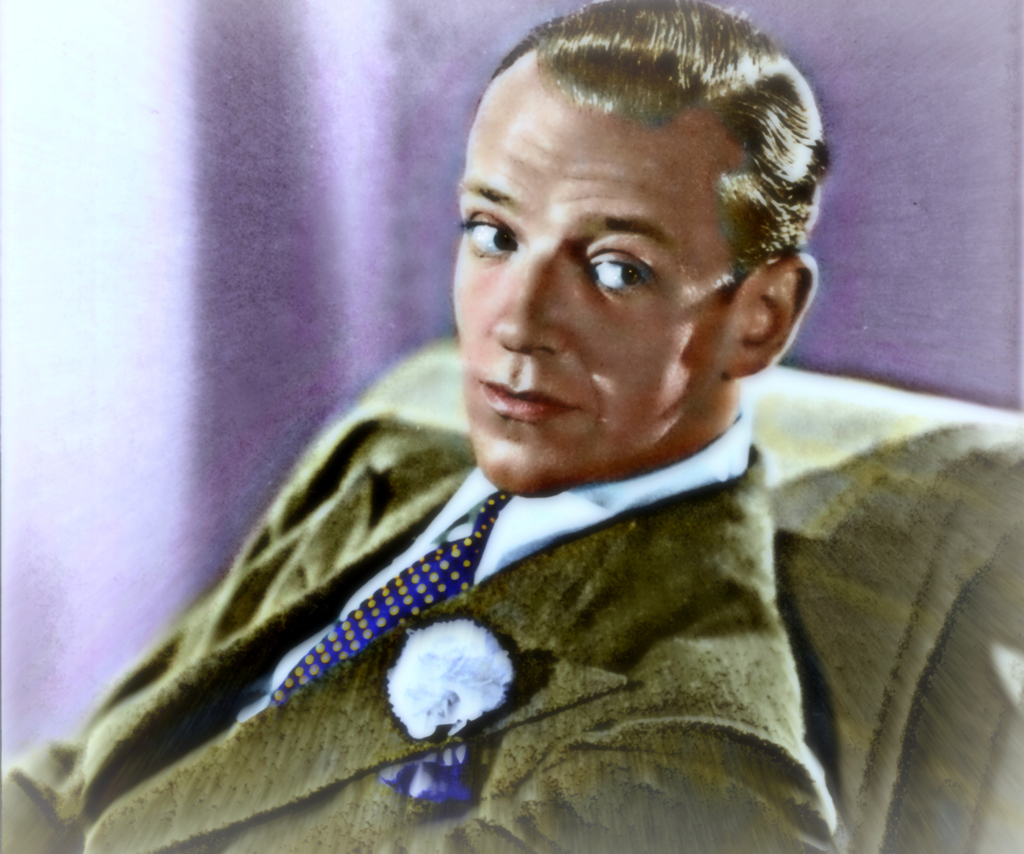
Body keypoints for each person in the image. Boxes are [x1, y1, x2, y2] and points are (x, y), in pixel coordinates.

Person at [5, 2, 1021, 852]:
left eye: (616, 268)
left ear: (758, 317)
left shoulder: (686, 753)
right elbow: (82, 778)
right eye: (493, 234)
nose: (516, 323)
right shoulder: (387, 466)